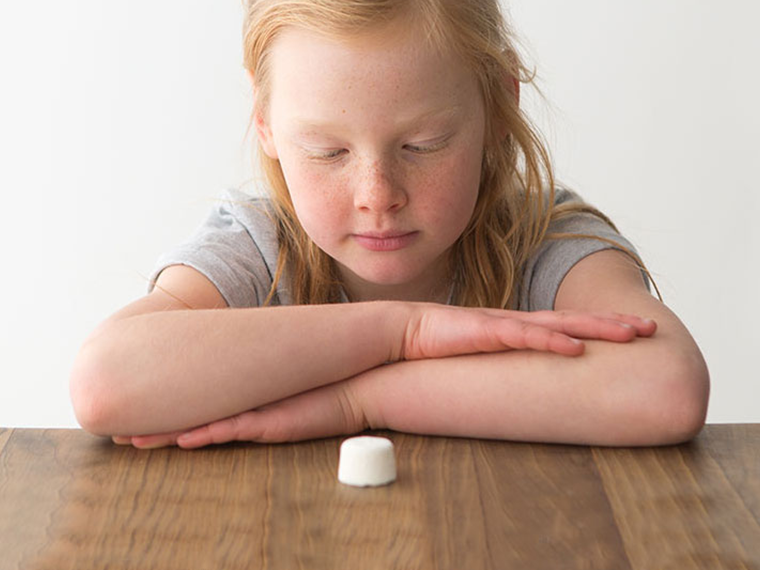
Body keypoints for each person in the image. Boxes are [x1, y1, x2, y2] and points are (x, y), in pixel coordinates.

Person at [69, 0, 709, 450]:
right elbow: (104, 385)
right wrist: (403, 329)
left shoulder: (546, 242)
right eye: (328, 152)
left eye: (424, 144)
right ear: (264, 120)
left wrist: (363, 401)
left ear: (497, 102)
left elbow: (667, 389)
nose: (378, 196)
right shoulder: (256, 248)